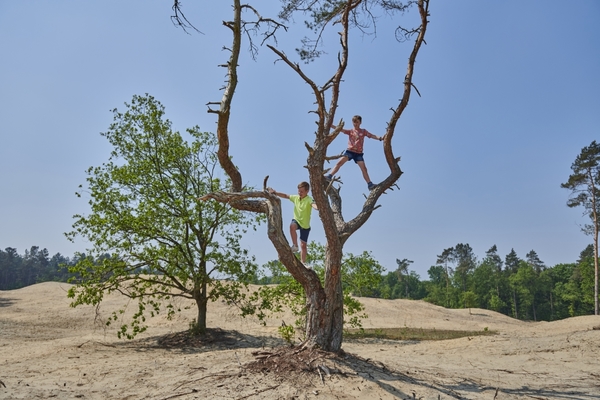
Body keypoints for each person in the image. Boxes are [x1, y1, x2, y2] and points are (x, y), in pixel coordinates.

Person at [325, 115, 385, 190]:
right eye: (354, 122)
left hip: (358, 153)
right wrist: (331, 125)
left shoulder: (363, 131)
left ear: (360, 122)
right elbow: (340, 129)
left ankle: (370, 184)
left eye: (357, 122)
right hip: (350, 151)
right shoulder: (350, 131)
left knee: (364, 169)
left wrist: (380, 138)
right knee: (339, 163)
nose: (355, 124)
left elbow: (372, 135)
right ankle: (329, 176)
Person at [268, 182, 317, 264]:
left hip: (305, 225)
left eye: (302, 191)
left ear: (307, 191)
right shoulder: (296, 198)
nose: (299, 193)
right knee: (292, 226)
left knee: (303, 245)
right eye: (299, 191)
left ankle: (303, 262)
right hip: (297, 220)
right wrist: (275, 193)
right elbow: (286, 196)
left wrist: (317, 207)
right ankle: (295, 245)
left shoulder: (309, 199)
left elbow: (313, 204)